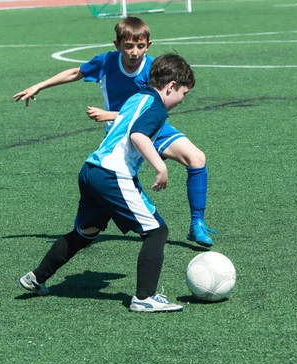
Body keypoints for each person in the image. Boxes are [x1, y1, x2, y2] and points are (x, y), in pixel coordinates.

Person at [13, 16, 217, 247]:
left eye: (140, 46)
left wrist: (110, 114)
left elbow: (150, 110)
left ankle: (196, 224)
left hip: (152, 128)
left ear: (148, 45)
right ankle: (83, 230)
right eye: (129, 46)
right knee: (108, 179)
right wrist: (38, 86)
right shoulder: (106, 63)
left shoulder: (153, 70)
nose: (134, 52)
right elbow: (74, 73)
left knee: (197, 158)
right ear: (117, 45)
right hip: (121, 133)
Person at [19, 53, 195, 312]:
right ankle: (144, 298)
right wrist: (160, 167)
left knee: (85, 232)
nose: (181, 100)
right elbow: (138, 135)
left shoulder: (138, 97)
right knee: (157, 231)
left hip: (91, 169)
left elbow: (125, 122)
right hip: (113, 174)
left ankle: (36, 277)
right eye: (183, 93)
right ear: (171, 86)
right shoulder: (156, 107)